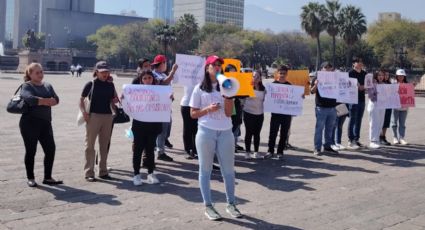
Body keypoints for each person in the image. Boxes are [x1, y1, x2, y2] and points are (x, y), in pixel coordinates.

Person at [189, 55, 242, 221]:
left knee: (229, 171)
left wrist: (229, 98)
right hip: (206, 132)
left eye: (219, 65)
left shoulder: (226, 86)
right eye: (214, 65)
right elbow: (193, 114)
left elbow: (228, 113)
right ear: (207, 68)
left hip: (226, 132)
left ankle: (231, 203)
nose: (218, 67)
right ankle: (208, 206)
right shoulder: (199, 88)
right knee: (205, 170)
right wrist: (208, 109)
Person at [19, 63, 63, 187]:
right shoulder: (26, 85)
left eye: (41, 72)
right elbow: (29, 98)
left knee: (50, 149)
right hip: (29, 123)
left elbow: (56, 99)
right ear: (30, 74)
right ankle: (30, 177)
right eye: (37, 72)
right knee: (31, 150)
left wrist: (43, 101)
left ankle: (48, 177)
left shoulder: (48, 85)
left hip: (45, 123)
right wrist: (46, 101)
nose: (40, 74)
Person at [80, 61, 118, 182]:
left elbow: (113, 100)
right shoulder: (91, 84)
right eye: (102, 72)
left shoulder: (110, 85)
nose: (105, 74)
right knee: (90, 145)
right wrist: (84, 113)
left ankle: (103, 171)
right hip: (94, 116)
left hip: (108, 116)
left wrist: (117, 99)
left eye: (106, 71)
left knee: (104, 145)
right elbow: (81, 100)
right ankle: (89, 172)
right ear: (96, 72)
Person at [131, 70, 163, 186]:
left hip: (153, 125)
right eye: (144, 78)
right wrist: (124, 98)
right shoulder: (135, 92)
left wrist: (169, 97)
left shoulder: (160, 91)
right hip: (139, 125)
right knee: (138, 150)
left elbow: (165, 104)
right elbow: (127, 104)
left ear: (153, 79)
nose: (147, 80)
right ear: (141, 80)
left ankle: (150, 173)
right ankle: (136, 174)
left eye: (149, 78)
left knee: (150, 150)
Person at [265, 65, 297, 160]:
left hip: (286, 115)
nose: (282, 75)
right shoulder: (272, 85)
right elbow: (267, 98)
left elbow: (294, 98)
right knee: (272, 133)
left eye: (284, 73)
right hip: (275, 114)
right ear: (277, 73)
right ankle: (270, 151)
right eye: (280, 73)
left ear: (287, 74)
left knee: (283, 134)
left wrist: (299, 96)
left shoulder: (290, 86)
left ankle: (280, 152)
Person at [151, 54, 178, 161]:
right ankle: (160, 152)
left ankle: (159, 146)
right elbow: (164, 84)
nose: (166, 65)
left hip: (165, 106)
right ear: (161, 64)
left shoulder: (161, 74)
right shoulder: (154, 75)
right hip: (159, 107)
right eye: (165, 63)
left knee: (166, 129)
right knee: (162, 131)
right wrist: (173, 71)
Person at [310, 62, 338, 155]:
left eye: (330, 67)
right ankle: (317, 148)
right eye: (326, 67)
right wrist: (316, 85)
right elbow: (312, 91)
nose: (328, 69)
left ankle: (327, 146)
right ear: (321, 69)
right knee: (319, 128)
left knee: (330, 128)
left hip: (332, 107)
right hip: (321, 107)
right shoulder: (317, 77)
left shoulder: (335, 78)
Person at [242, 70, 265, 159]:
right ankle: (247, 152)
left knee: (257, 133)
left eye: (257, 77)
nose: (255, 78)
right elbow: (241, 98)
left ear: (260, 79)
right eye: (253, 76)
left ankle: (256, 152)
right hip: (248, 113)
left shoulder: (264, 89)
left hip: (259, 114)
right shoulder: (247, 87)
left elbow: (269, 100)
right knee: (249, 133)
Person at [347, 57, 367, 149]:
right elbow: (347, 85)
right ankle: (350, 140)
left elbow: (367, 85)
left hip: (362, 99)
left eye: (361, 62)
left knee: (359, 120)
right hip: (352, 99)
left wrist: (363, 86)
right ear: (353, 64)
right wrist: (358, 86)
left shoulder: (364, 73)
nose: (360, 63)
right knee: (352, 120)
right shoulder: (350, 73)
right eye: (357, 62)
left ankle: (356, 139)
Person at [367, 70, 387, 149]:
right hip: (374, 104)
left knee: (380, 123)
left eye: (382, 75)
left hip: (382, 105)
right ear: (375, 76)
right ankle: (373, 141)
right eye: (379, 75)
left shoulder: (384, 84)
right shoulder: (372, 84)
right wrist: (377, 93)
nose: (381, 77)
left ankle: (377, 139)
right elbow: (370, 96)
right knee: (374, 123)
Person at [391, 69, 411, 145]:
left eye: (402, 76)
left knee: (402, 124)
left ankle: (402, 138)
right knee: (394, 123)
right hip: (395, 107)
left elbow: (410, 96)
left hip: (404, 108)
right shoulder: (393, 84)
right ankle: (395, 137)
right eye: (399, 76)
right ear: (396, 76)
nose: (400, 77)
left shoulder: (407, 85)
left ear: (404, 76)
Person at [181, 85, 198, 159]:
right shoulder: (186, 74)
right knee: (187, 128)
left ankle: (196, 150)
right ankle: (188, 150)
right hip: (187, 104)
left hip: (199, 105)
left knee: (197, 128)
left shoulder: (205, 76)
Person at [380, 70, 392, 146]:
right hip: (382, 105)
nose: (387, 76)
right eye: (385, 75)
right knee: (381, 121)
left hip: (389, 105)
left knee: (386, 122)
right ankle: (380, 136)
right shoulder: (380, 84)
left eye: (388, 75)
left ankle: (383, 136)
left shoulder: (390, 84)